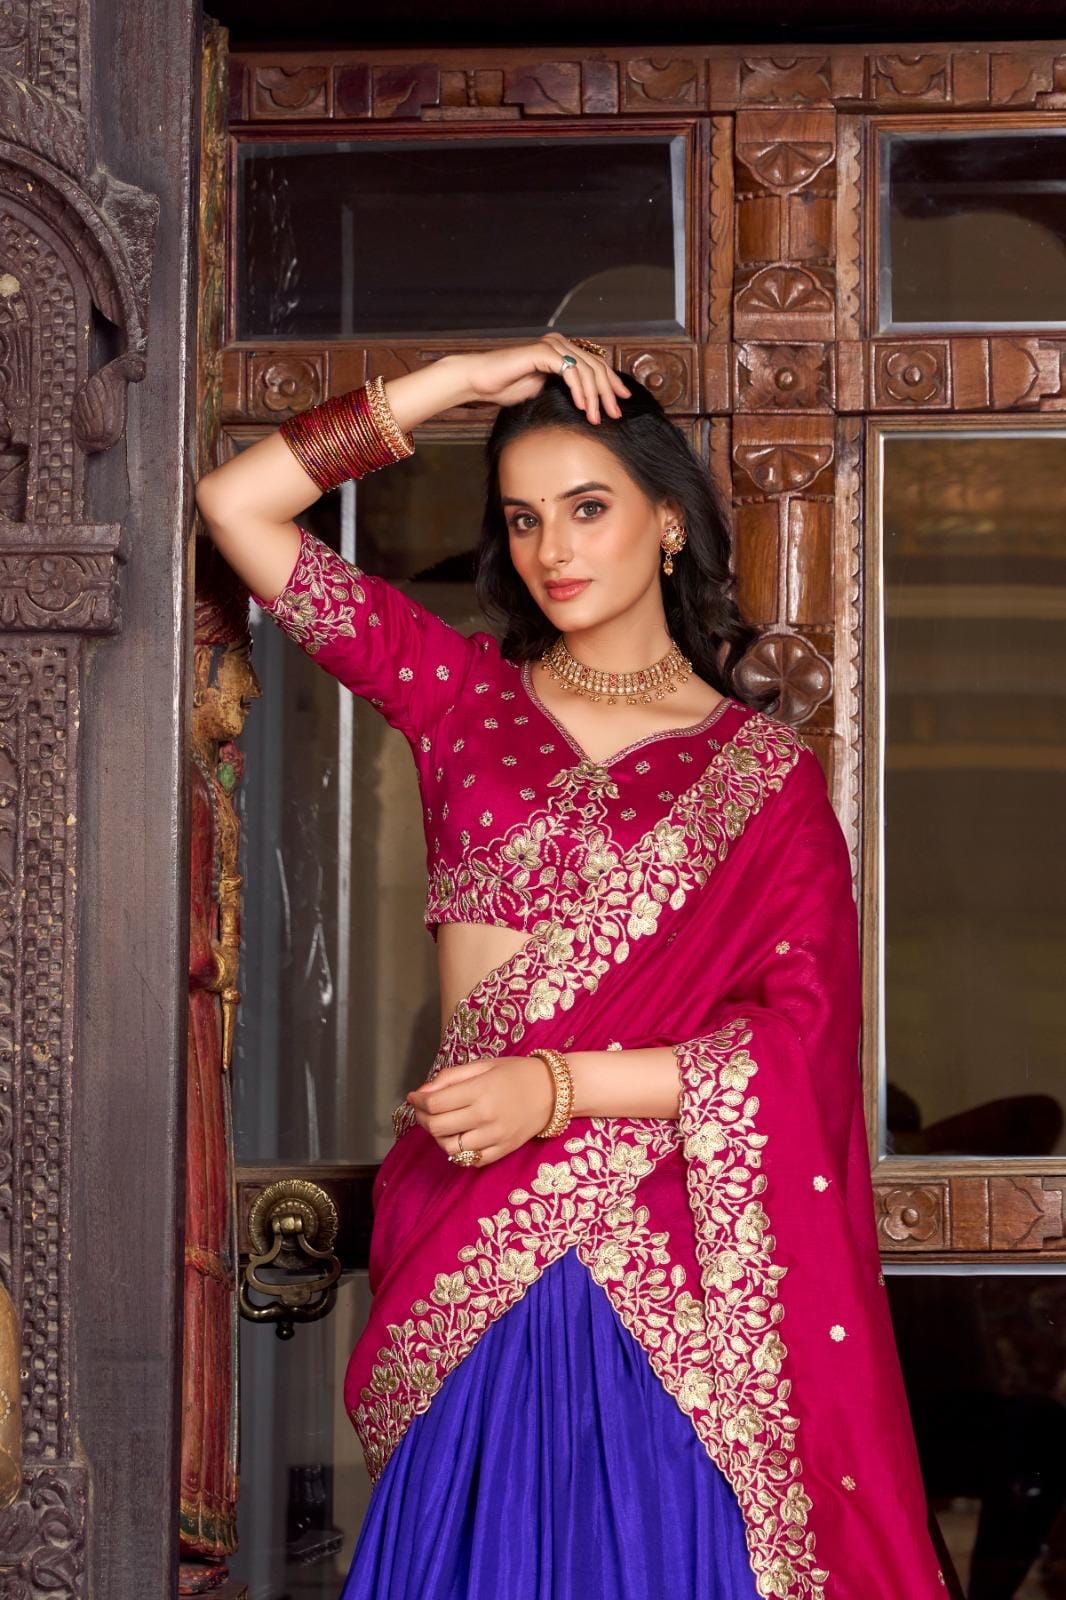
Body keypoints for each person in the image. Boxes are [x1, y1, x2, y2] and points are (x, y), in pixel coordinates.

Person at [195, 336, 949, 1600]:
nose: (553, 548)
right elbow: (237, 506)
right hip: (473, 1246)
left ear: (668, 521)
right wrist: (452, 384)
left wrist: (557, 1086)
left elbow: (799, 1044)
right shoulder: (459, 699)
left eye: (588, 507)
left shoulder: (763, 782)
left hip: (662, 1279)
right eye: (523, 517)